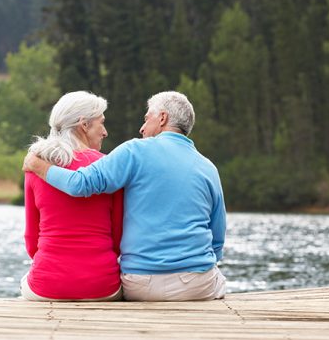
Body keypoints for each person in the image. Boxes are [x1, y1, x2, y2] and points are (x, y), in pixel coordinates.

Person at [24, 91, 227, 301]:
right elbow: (218, 237)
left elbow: (80, 183)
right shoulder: (209, 168)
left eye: (147, 118)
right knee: (218, 278)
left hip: (141, 284)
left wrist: (38, 165)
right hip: (196, 284)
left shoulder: (133, 152)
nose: (142, 128)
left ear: (163, 118)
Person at [20, 91, 124, 301]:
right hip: (102, 286)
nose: (105, 132)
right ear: (84, 125)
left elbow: (32, 241)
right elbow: (118, 238)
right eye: (101, 123)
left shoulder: (36, 167)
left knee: (24, 282)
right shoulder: (110, 168)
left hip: (47, 285)